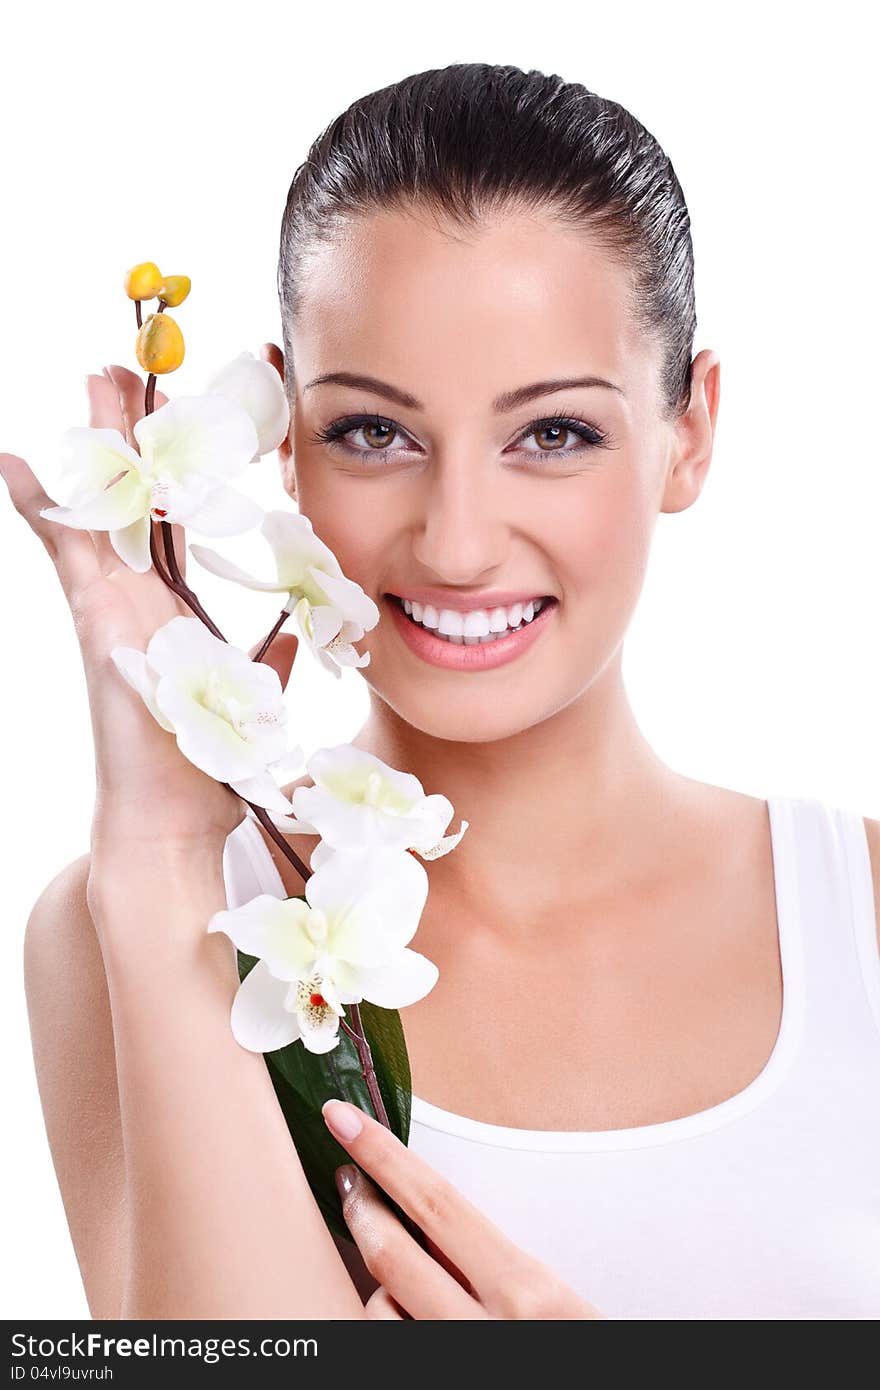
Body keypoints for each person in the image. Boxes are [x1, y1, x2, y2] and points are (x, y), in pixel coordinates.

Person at [6, 62, 880, 1321]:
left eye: (554, 433)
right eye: (374, 431)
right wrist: (155, 854)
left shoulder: (860, 919)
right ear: (282, 435)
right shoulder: (129, 925)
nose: (459, 541)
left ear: (690, 429)